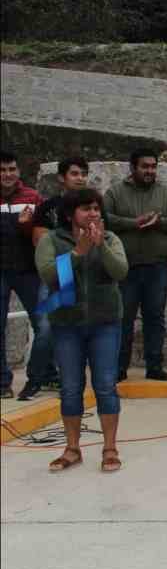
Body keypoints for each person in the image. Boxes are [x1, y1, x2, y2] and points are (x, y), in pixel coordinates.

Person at [36, 189, 129, 473]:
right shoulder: (51, 240)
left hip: (105, 324)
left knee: (105, 386)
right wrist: (78, 253)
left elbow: (121, 272)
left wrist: (100, 247)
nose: (93, 214)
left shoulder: (111, 238)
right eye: (86, 209)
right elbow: (49, 275)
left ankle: (110, 448)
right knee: (71, 388)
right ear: (70, 214)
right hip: (67, 325)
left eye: (96, 208)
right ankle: (72, 449)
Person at [102, 148, 167, 382]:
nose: (150, 171)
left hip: (157, 267)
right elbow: (104, 219)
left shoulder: (165, 192)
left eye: (153, 166)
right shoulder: (115, 192)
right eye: (145, 166)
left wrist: (159, 222)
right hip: (125, 267)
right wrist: (133, 223)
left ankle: (155, 366)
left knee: (155, 317)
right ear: (133, 168)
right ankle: (119, 368)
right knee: (124, 318)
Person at [23, 157, 91, 400]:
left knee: (77, 329)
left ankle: (69, 380)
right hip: (58, 274)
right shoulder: (49, 207)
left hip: (87, 276)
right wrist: (72, 251)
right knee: (45, 327)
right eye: (75, 173)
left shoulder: (93, 207)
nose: (80, 177)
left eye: (84, 173)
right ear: (62, 177)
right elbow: (40, 241)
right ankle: (35, 378)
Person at [0, 150, 53, 400]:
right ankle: (2, 382)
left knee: (44, 325)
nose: (7, 175)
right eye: (2, 170)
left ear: (18, 171)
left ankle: (40, 376)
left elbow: (43, 234)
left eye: (11, 169)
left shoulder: (33, 197)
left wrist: (26, 226)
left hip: (29, 272)